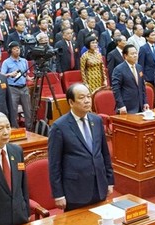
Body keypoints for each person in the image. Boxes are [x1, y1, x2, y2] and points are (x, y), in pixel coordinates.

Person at [48, 83, 114, 211]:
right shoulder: (59, 127)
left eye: (88, 96)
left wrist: (110, 180)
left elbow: (104, 153)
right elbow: (54, 164)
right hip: (75, 190)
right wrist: (58, 194)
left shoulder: (97, 120)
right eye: (82, 97)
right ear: (71, 102)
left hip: (99, 185)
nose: (87, 100)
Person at [0, 41, 32, 130]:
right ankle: (14, 128)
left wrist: (29, 78)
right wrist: (10, 74)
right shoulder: (6, 62)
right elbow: (2, 75)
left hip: (24, 87)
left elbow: (26, 75)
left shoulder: (24, 61)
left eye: (18, 49)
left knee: (28, 109)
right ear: (10, 51)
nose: (17, 50)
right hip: (12, 88)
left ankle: (29, 128)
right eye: (14, 49)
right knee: (13, 110)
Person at [111, 44, 148, 114]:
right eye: (132, 54)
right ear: (125, 56)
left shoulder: (139, 67)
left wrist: (145, 102)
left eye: (136, 53)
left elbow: (142, 87)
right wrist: (121, 105)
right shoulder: (118, 69)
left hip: (140, 106)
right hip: (127, 107)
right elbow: (116, 89)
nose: (135, 55)